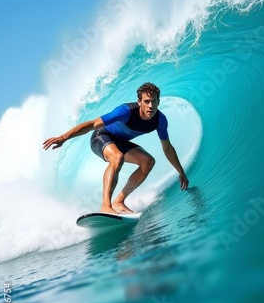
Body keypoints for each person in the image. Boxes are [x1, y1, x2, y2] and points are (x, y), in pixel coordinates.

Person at [43, 82, 189, 214]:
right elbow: (93, 124)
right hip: (101, 136)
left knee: (148, 162)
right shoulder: (125, 111)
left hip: (121, 142)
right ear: (139, 102)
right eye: (147, 101)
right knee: (117, 157)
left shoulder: (160, 121)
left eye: (154, 101)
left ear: (159, 102)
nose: (150, 106)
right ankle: (105, 205)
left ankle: (119, 201)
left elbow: (167, 148)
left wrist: (180, 171)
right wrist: (63, 137)